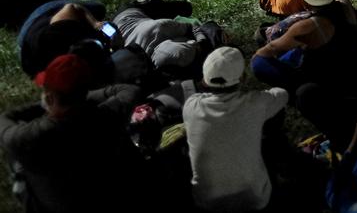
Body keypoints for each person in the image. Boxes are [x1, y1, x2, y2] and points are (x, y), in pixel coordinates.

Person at [0, 54, 149, 213]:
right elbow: (130, 90)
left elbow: (4, 119)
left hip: (59, 204)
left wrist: (40, 106)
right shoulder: (107, 114)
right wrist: (80, 99)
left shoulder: (29, 137)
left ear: (49, 97)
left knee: (17, 165)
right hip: (113, 196)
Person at [184, 47, 289, 212]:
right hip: (255, 199)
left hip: (207, 202)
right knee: (275, 111)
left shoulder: (191, 106)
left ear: (204, 79)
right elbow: (282, 94)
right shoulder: (256, 103)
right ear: (243, 78)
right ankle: (281, 159)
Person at [251, 0, 357, 92]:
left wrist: (258, 54)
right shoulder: (344, 4)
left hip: (330, 83)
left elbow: (273, 47)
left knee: (259, 62)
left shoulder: (308, 26)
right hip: (354, 70)